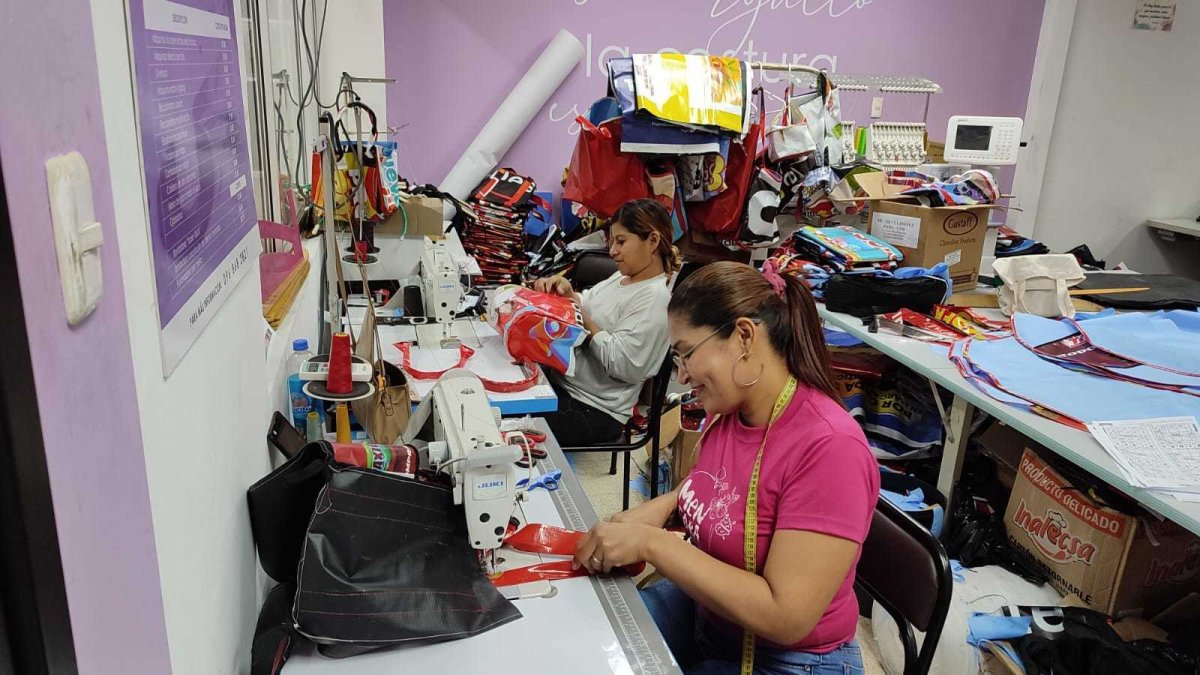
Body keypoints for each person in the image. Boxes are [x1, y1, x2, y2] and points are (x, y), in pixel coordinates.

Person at [573, 261, 879, 674]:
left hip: (789, 659)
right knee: (592, 640)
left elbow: (786, 617)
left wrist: (651, 544)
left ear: (744, 337)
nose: (681, 375)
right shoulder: (733, 413)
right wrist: (664, 507)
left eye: (686, 354)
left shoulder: (830, 448)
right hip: (713, 619)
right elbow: (720, 490)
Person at [531, 199, 678, 447]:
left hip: (594, 410)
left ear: (652, 241)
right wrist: (566, 293)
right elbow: (584, 302)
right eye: (612, 242)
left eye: (621, 242)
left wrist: (584, 320)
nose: (612, 251)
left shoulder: (655, 298)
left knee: (505, 419)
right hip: (565, 385)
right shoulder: (622, 278)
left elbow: (623, 364)